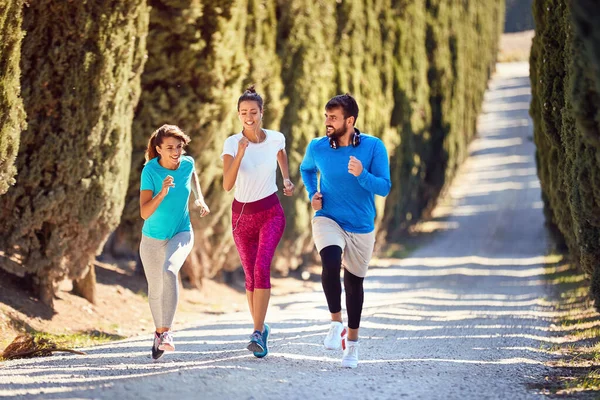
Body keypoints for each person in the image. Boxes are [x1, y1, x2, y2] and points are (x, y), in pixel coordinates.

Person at [299, 94, 391, 368]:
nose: (328, 122)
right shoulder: (317, 147)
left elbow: (384, 187)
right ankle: (335, 323)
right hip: (328, 217)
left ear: (350, 121)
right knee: (329, 260)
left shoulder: (373, 147)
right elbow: (306, 170)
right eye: (326, 116)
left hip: (361, 225)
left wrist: (362, 173)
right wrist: (312, 193)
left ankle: (352, 345)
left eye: (334, 117)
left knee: (354, 286)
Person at [221, 85, 294, 358]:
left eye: (253, 111)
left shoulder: (276, 138)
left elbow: (281, 153)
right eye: (243, 112)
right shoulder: (231, 143)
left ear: (262, 112)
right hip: (241, 218)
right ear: (238, 114)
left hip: (271, 213)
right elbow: (227, 185)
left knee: (262, 268)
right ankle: (260, 330)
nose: (248, 117)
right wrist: (241, 152)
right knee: (250, 276)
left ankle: (256, 331)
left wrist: (285, 178)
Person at [139, 124, 210, 360]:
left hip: (181, 231)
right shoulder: (150, 171)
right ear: (158, 149)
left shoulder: (187, 163)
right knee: (156, 289)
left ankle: (167, 333)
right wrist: (162, 192)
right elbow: (144, 213)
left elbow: (193, 175)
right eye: (169, 147)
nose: (176, 151)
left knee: (169, 271)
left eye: (179, 146)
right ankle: (158, 333)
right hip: (151, 238)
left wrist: (199, 199)